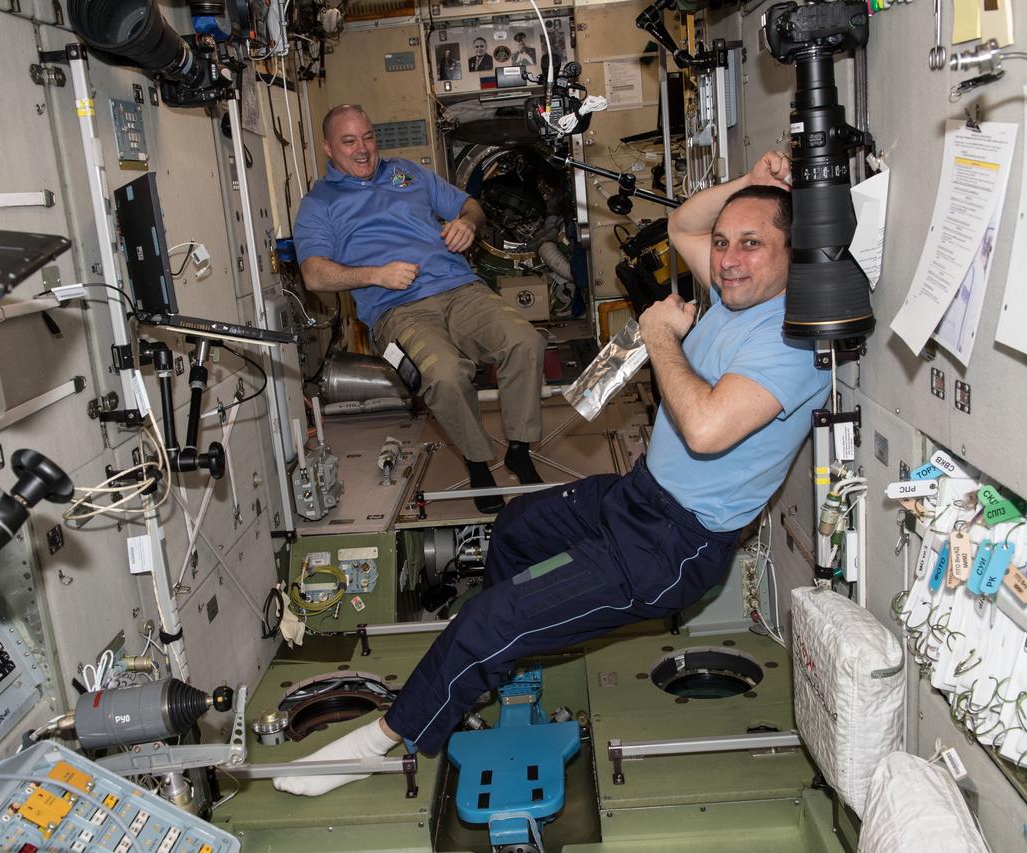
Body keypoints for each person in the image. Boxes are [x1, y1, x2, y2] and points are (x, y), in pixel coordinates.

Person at [272, 150, 830, 797]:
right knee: (515, 527)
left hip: (673, 546)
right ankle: (501, 654)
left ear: (793, 251)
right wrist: (752, 183)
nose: (728, 257)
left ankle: (383, 739)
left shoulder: (793, 339)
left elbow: (705, 428)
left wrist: (661, 339)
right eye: (726, 242)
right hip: (639, 494)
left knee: (491, 619)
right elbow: (683, 225)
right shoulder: (737, 291)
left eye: (752, 244)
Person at [294, 105, 546, 514]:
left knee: (526, 342)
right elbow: (315, 275)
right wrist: (376, 274)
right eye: (349, 141)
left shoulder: (407, 173)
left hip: (460, 288)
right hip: (397, 310)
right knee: (445, 374)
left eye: (368, 137)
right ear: (327, 147)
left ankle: (519, 449)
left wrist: (467, 223)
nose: (363, 149)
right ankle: (479, 464)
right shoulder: (319, 205)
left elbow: (471, 205)